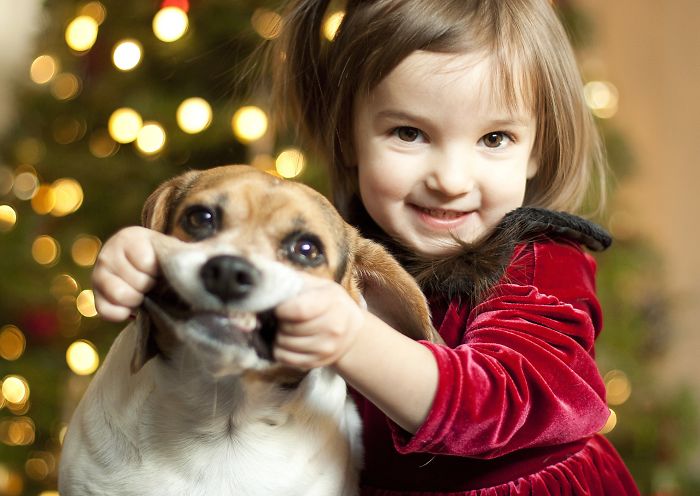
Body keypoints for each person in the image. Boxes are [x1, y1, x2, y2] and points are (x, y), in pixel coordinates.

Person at [92, 0, 640, 494]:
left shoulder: (542, 265)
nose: (450, 178)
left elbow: (506, 402)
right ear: (348, 138)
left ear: (537, 150)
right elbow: (233, 289)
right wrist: (155, 258)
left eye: (495, 139)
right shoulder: (331, 245)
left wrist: (351, 338)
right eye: (409, 133)